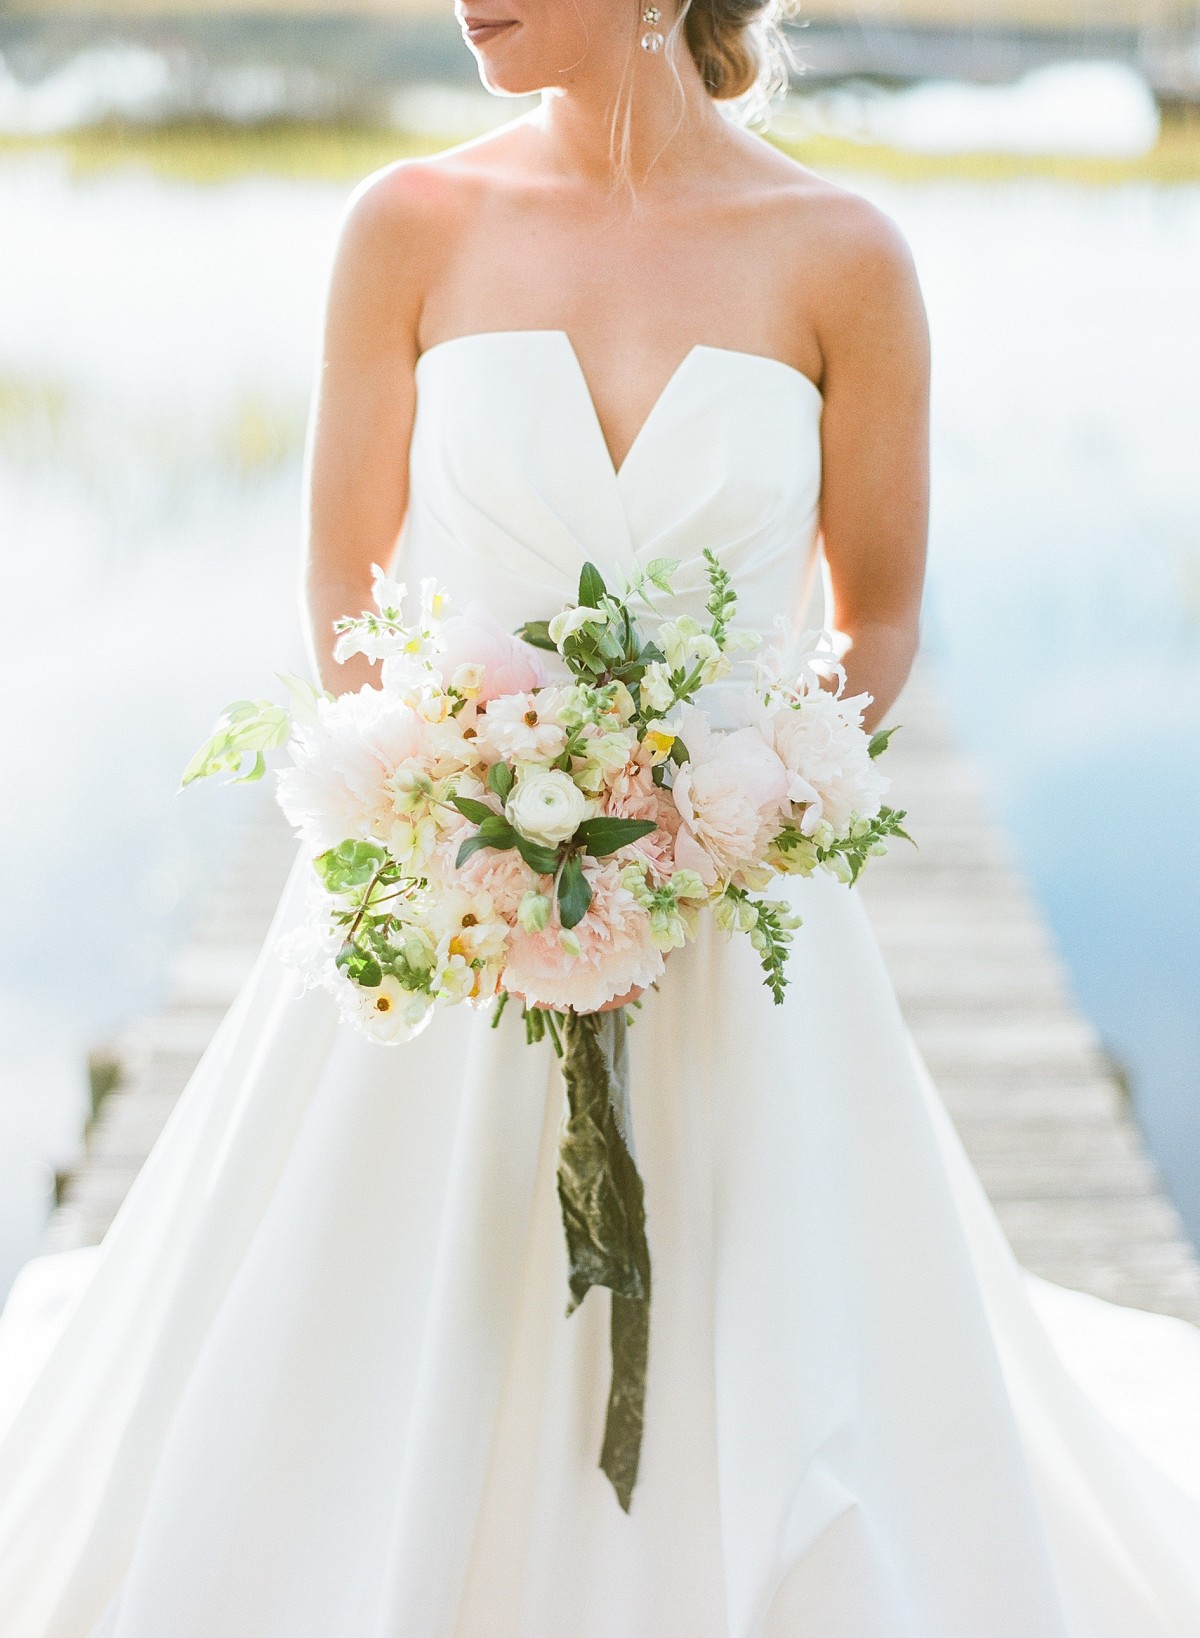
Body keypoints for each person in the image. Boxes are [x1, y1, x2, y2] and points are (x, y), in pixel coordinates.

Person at [2, 0, 1199, 1632]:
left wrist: (754, 794)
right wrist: (452, 785)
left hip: (730, 910)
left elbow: (885, 612)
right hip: (452, 900)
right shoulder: (407, 226)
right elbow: (348, 597)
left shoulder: (842, 252)